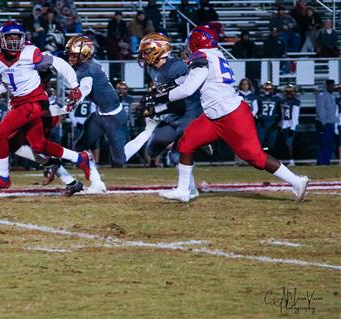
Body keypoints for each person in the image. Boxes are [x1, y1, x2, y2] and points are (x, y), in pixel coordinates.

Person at [144, 26, 308, 202]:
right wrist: (165, 91)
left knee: (254, 157)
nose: (187, 46)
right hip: (214, 115)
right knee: (186, 143)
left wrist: (161, 97)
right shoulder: (214, 55)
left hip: (231, 115)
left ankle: (297, 181)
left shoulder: (202, 56)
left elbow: (188, 89)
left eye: (190, 42)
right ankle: (183, 191)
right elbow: (190, 79)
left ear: (197, 42)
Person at [0, 22, 89, 191]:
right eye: (10, 37)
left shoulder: (30, 53)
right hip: (19, 103)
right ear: (1, 39)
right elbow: (1, 83)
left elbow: (59, 63)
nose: (15, 41)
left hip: (34, 101)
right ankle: (80, 158)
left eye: (18, 37)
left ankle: (3, 178)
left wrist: (74, 86)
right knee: (39, 146)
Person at [40, 34, 130, 194]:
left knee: (120, 160)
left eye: (76, 55)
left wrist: (68, 102)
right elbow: (54, 58)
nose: (71, 57)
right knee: (80, 146)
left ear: (86, 55)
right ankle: (97, 183)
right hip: (100, 113)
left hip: (114, 116)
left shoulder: (87, 70)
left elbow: (82, 91)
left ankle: (148, 132)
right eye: (71, 54)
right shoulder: (84, 65)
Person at [132, 32, 203, 179]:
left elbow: (180, 101)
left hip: (190, 111)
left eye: (147, 52)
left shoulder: (176, 67)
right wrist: (148, 104)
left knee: (176, 155)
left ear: (159, 50)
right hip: (175, 111)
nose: (144, 56)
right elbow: (164, 96)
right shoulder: (152, 69)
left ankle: (189, 188)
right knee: (152, 148)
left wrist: (152, 110)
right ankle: (197, 141)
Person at [256, 81, 282, 153]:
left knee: (271, 143)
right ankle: (260, 157)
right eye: (266, 89)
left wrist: (277, 123)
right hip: (262, 122)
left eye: (269, 89)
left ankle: (268, 157)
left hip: (272, 122)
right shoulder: (259, 98)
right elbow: (256, 111)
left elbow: (280, 113)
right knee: (259, 142)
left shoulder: (277, 99)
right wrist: (259, 120)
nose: (268, 91)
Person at [315, 80, 337, 165]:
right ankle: (321, 162)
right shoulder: (322, 96)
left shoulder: (332, 96)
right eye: (331, 85)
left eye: (333, 85)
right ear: (326, 86)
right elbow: (320, 110)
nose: (332, 87)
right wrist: (322, 122)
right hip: (324, 123)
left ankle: (326, 161)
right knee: (323, 143)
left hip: (330, 123)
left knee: (329, 144)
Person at [280, 85, 300, 166]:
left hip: (291, 125)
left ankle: (291, 160)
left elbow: (295, 115)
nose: (289, 93)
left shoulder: (296, 102)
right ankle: (288, 160)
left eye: (291, 92)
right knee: (285, 144)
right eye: (287, 91)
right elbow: (282, 114)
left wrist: (292, 127)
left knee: (289, 143)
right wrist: (281, 125)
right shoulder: (283, 101)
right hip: (284, 124)